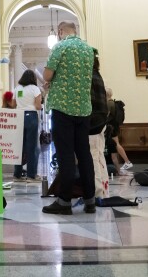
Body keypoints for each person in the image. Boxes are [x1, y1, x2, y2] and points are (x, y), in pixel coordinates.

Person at [41, 21, 95, 215]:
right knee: (84, 154)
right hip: (83, 108)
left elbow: (47, 75)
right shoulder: (89, 49)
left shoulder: (60, 46)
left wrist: (50, 82)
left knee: (65, 155)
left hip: (63, 107)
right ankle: (90, 200)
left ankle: (64, 201)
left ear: (60, 31)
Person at [12, 69, 43, 183]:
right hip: (31, 117)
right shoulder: (35, 89)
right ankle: (31, 175)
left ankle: (17, 174)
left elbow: (13, 104)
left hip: (19, 116)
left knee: (19, 146)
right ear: (33, 79)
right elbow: (38, 106)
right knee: (31, 147)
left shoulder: (17, 88)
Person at [89, 49, 109, 198]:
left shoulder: (88, 75)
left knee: (94, 158)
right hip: (100, 121)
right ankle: (103, 191)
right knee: (99, 156)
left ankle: (98, 193)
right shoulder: (98, 74)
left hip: (93, 122)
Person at [105, 87, 132, 175]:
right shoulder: (114, 102)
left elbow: (106, 116)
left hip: (110, 126)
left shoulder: (108, 104)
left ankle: (127, 161)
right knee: (116, 144)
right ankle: (126, 162)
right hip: (115, 126)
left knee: (116, 144)